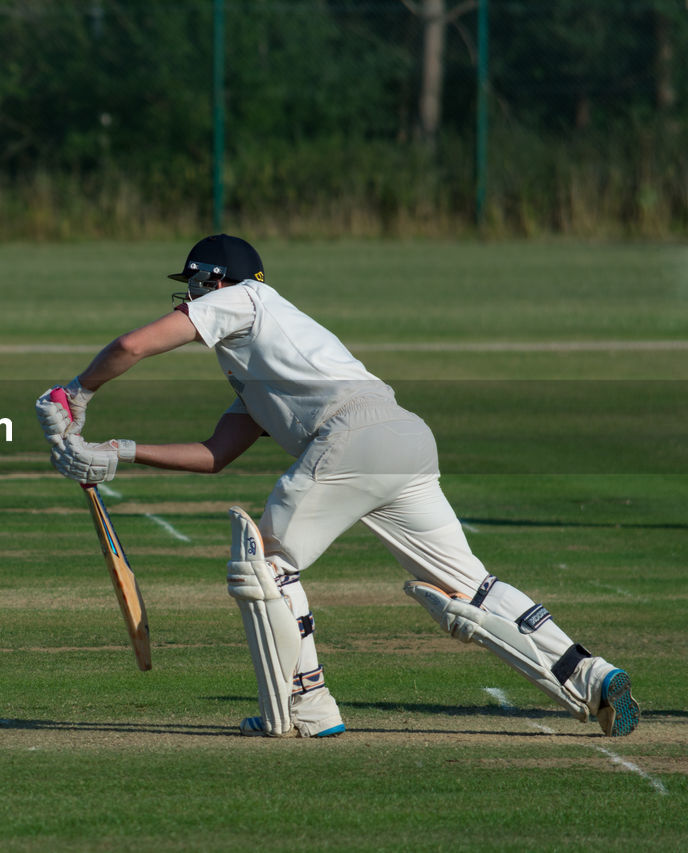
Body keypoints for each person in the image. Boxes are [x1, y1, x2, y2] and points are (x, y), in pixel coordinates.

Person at [35, 234, 639, 738]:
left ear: (217, 283)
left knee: (265, 565)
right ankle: (590, 675)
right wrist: (117, 453)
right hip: (402, 438)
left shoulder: (244, 299)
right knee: (469, 585)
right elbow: (217, 454)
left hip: (351, 434)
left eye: (195, 286)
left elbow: (131, 345)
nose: (188, 300)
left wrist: (76, 391)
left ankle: (305, 709)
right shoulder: (256, 367)